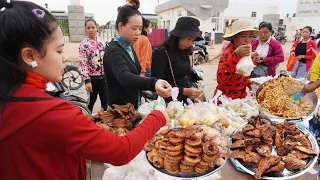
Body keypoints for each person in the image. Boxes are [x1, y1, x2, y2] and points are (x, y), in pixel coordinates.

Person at [0, 1, 172, 179]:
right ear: (29, 56)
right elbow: (121, 150)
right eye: (59, 51)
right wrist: (157, 117)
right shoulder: (54, 114)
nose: (65, 57)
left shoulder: (11, 97)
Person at [104, 5, 172, 108]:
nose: (137, 33)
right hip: (118, 112)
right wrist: (153, 83)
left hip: (131, 108)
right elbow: (124, 77)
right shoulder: (114, 51)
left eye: (140, 29)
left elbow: (136, 75)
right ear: (120, 26)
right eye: (134, 28)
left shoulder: (128, 47)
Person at [151, 17, 203, 102]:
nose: (190, 43)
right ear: (178, 36)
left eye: (193, 40)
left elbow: (185, 76)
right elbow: (157, 85)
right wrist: (184, 91)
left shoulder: (186, 51)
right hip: (168, 102)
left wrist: (194, 92)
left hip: (185, 100)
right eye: (189, 39)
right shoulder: (161, 53)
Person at [214, 19, 259, 99]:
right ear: (234, 37)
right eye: (243, 36)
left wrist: (251, 84)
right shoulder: (228, 54)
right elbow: (220, 79)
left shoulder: (246, 53)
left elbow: (242, 75)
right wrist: (235, 55)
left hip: (240, 99)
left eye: (250, 36)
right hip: (225, 99)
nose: (247, 39)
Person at [79, 19, 108, 112]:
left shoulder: (102, 42)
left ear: (96, 28)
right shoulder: (84, 44)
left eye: (93, 27)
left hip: (104, 77)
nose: (91, 30)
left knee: (105, 101)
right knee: (91, 101)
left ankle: (103, 122)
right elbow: (83, 63)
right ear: (85, 29)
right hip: (92, 78)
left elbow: (106, 58)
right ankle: (87, 120)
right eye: (88, 28)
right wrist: (87, 80)